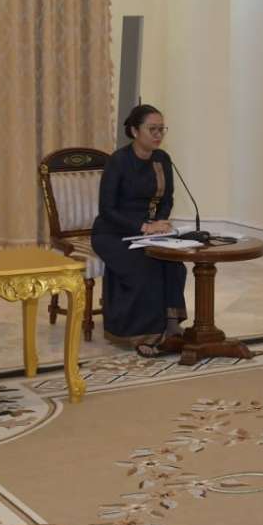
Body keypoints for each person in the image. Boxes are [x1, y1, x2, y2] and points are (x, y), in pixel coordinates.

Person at [91, 105, 188, 355]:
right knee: (145, 265)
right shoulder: (118, 161)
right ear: (135, 131)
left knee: (175, 262)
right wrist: (143, 226)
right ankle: (143, 335)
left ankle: (171, 325)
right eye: (152, 129)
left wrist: (161, 224)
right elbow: (107, 209)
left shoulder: (162, 159)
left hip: (149, 230)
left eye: (161, 129)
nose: (158, 135)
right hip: (112, 232)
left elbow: (167, 199)